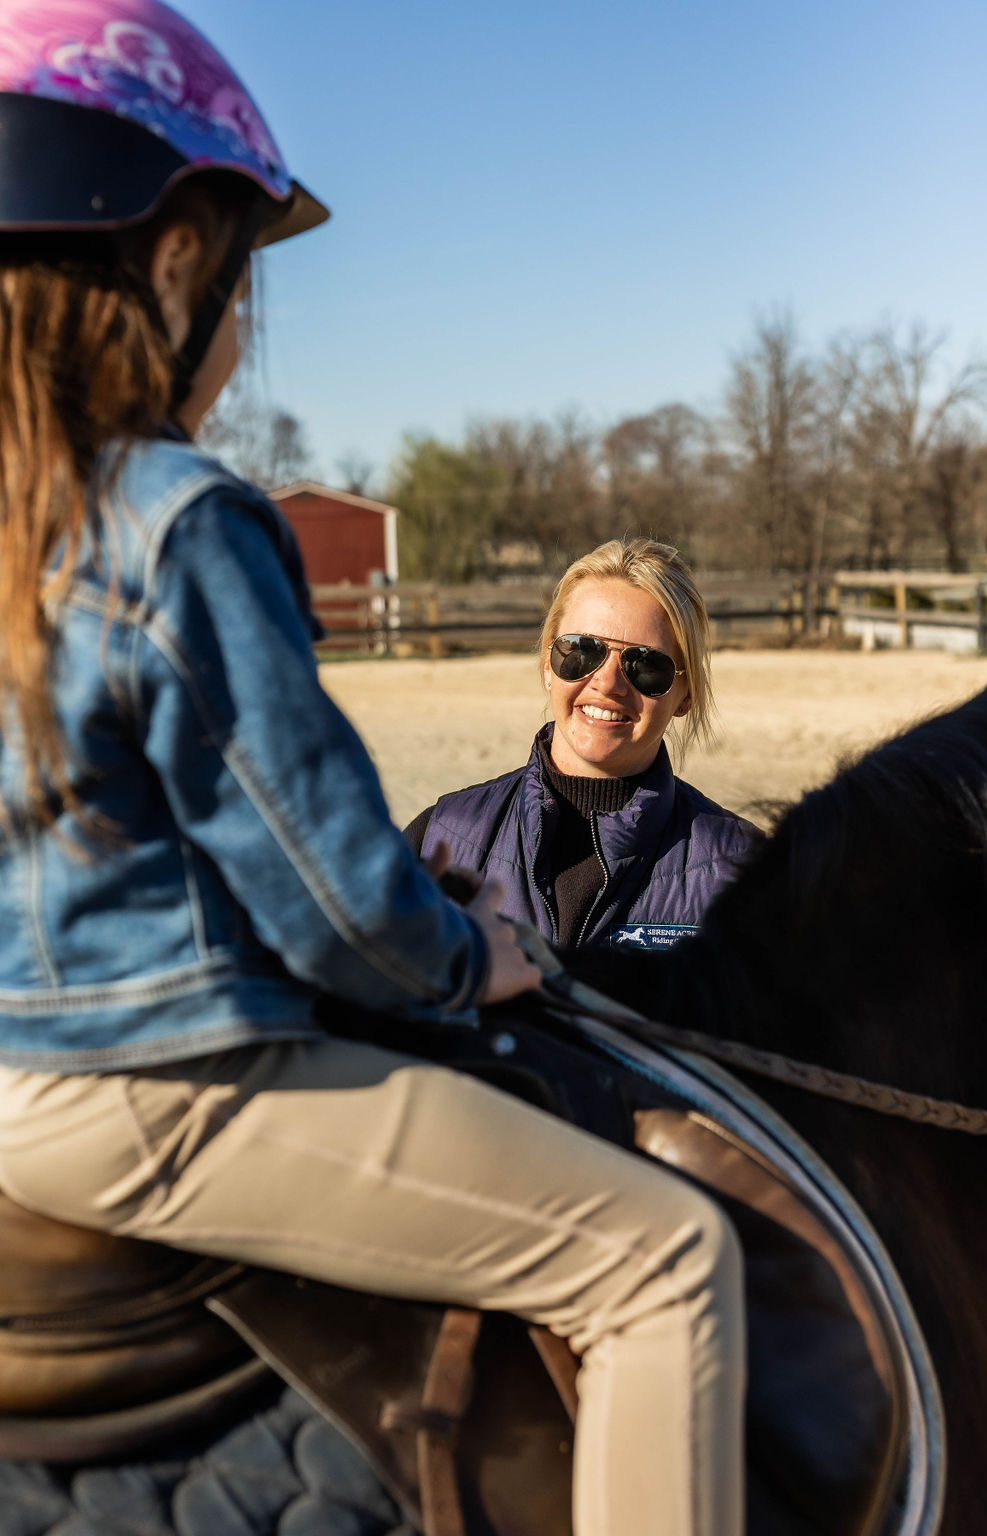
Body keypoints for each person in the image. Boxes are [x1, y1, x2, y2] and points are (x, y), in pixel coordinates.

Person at [0, 6, 745, 1534]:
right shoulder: (179, 521)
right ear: (176, 261)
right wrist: (474, 955)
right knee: (666, 1259)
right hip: (157, 1087)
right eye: (244, 281)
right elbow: (336, 905)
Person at [408, 538, 759, 951]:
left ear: (685, 696)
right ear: (548, 665)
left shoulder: (744, 872)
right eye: (581, 650)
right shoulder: (439, 839)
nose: (607, 683)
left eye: (646, 664)